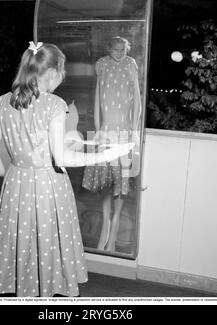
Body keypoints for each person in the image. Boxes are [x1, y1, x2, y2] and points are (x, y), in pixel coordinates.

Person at [0, 41, 134, 297]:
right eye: (62, 71)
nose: (62, 77)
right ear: (51, 72)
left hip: (16, 186)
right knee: (49, 243)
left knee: (21, 244)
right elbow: (61, 158)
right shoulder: (54, 105)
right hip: (48, 188)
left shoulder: (3, 102)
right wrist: (105, 155)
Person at [82, 36, 142, 252]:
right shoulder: (102, 64)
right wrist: (99, 128)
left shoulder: (130, 64)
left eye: (123, 50)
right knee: (106, 181)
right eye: (115, 49)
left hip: (124, 131)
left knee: (121, 181)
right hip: (106, 131)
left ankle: (115, 223)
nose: (119, 53)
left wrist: (134, 130)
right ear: (109, 48)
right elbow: (97, 97)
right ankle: (106, 224)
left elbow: (137, 97)